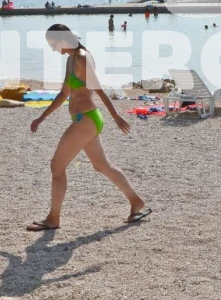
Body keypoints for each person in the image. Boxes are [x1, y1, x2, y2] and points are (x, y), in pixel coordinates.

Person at [27, 24, 148, 230]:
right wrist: (42, 117)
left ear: (62, 40)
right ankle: (136, 201)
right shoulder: (70, 59)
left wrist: (116, 117)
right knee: (102, 166)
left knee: (57, 166)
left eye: (52, 43)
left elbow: (98, 90)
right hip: (84, 120)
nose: (52, 48)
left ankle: (53, 218)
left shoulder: (82, 58)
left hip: (86, 120)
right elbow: (64, 94)